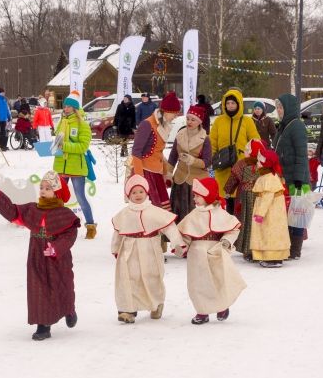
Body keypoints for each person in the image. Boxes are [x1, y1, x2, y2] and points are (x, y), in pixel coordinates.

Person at [0, 171, 80, 341]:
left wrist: (56, 248)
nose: (43, 191)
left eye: (48, 188)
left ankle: (68, 309)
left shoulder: (65, 214)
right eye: (42, 187)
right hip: (37, 256)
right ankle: (43, 326)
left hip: (58, 259)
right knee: (39, 289)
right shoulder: (33, 209)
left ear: (57, 192)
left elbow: (69, 236)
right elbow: (14, 212)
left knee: (62, 285)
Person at [111, 175, 186, 324]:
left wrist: (177, 243)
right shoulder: (124, 214)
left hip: (150, 248)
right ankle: (128, 309)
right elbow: (118, 233)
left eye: (140, 191)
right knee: (130, 278)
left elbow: (169, 227)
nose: (138, 195)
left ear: (146, 192)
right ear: (128, 195)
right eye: (133, 192)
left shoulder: (154, 211)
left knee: (152, 276)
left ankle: (156, 303)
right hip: (129, 249)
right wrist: (115, 248)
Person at [177, 178, 246, 325]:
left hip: (216, 252)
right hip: (196, 255)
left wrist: (226, 241)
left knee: (218, 280)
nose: (194, 198)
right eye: (194, 195)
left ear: (207, 195)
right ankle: (202, 311)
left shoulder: (220, 213)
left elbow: (233, 229)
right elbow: (186, 234)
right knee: (199, 283)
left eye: (197, 195)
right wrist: (182, 246)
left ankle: (221, 306)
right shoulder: (193, 215)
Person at [52, 91, 97, 239]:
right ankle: (58, 226)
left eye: (68, 107)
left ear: (75, 108)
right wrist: (52, 147)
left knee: (80, 197)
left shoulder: (83, 124)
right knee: (58, 198)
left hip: (76, 167)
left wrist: (63, 146)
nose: (65, 109)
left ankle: (91, 227)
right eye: (64, 106)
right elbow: (58, 142)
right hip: (61, 166)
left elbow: (82, 147)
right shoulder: (61, 122)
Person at [210, 88, 259, 215]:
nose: (230, 106)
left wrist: (250, 160)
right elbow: (212, 142)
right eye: (228, 103)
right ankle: (227, 229)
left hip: (242, 168)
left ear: (239, 104)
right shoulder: (219, 121)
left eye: (233, 103)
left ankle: (240, 229)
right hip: (223, 168)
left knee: (240, 201)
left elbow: (255, 142)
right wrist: (214, 158)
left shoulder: (247, 121)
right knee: (225, 201)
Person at [272, 94, 310, 258]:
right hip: (284, 177)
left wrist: (299, 180)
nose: (279, 111)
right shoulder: (283, 125)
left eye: (281, 107)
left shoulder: (297, 126)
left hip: (297, 178)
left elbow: (302, 156)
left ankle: (295, 249)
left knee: (298, 213)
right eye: (278, 108)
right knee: (288, 212)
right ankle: (286, 244)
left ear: (289, 109)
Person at [131, 92, 181, 214]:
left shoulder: (164, 125)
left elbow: (159, 153)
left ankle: (161, 231)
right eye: (174, 113)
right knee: (151, 208)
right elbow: (136, 151)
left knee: (163, 207)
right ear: (166, 111)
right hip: (145, 171)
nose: (175, 117)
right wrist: (139, 177)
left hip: (157, 172)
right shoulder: (147, 124)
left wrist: (165, 173)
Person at [167, 105, 212, 222]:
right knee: (177, 214)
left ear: (199, 122)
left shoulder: (205, 139)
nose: (189, 122)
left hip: (197, 183)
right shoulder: (179, 134)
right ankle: (177, 238)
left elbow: (207, 162)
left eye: (193, 120)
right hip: (180, 180)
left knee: (193, 217)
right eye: (188, 118)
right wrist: (168, 173)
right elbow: (173, 156)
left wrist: (192, 160)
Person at [224, 139, 265, 261]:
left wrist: (228, 190)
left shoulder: (242, 164)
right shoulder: (263, 164)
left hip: (245, 197)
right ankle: (259, 248)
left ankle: (247, 250)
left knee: (247, 222)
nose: (245, 152)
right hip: (261, 197)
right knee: (258, 222)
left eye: (247, 150)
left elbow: (233, 179)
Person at [250, 149, 290, 268]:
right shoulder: (269, 177)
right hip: (272, 211)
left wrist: (260, 213)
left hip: (270, 212)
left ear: (266, 164)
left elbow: (267, 197)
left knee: (270, 232)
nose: (257, 164)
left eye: (259, 162)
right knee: (271, 232)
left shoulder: (269, 179)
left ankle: (273, 257)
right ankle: (272, 256)